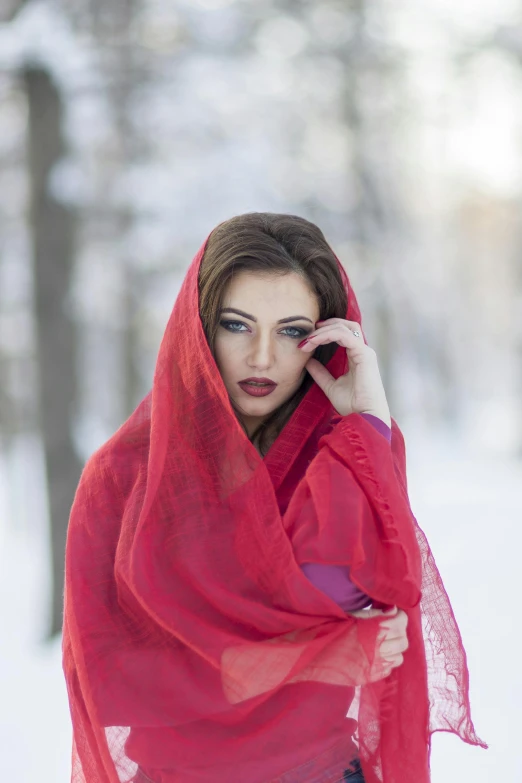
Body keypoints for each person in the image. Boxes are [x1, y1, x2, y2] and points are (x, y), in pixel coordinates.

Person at [62, 213, 486, 783]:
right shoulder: (122, 476)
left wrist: (371, 423)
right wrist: (310, 656)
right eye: (238, 325)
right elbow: (109, 681)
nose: (262, 358)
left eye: (292, 332)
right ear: (199, 326)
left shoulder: (341, 453)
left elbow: (370, 590)